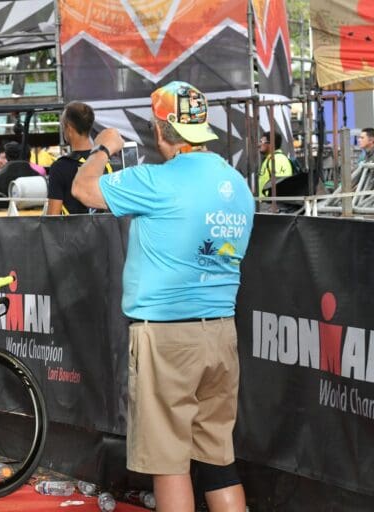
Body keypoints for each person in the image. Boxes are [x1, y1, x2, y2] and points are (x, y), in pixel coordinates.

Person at [72, 81, 254, 512]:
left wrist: (102, 149)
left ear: (160, 130)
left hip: (167, 340)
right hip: (221, 334)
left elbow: (82, 189)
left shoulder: (155, 180)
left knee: (169, 464)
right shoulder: (236, 184)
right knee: (218, 461)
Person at [47, 101, 98, 215]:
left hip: (73, 232)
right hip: (106, 231)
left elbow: (53, 217)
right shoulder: (106, 161)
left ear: (69, 129)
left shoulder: (60, 167)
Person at [257, 131, 292, 197]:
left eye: (262, 142)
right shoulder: (272, 158)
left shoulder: (276, 159)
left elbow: (280, 185)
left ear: (270, 144)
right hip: (269, 202)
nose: (259, 145)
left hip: (272, 203)